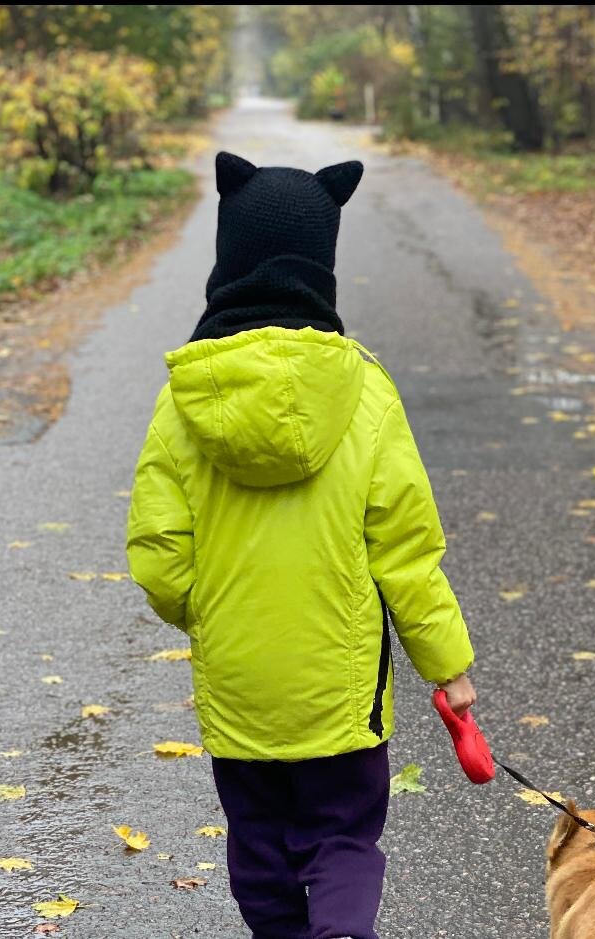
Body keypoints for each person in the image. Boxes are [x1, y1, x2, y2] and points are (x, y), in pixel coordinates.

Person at [126, 150, 477, 939]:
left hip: (240, 678)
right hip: (340, 683)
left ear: (228, 260)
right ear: (322, 265)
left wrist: (211, 611)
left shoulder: (184, 398)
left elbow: (156, 549)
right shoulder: (366, 390)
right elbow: (406, 551)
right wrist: (446, 666)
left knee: (258, 840)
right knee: (343, 834)